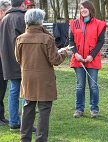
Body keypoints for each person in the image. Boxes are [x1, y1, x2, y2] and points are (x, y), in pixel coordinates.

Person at [15, 8, 68, 142]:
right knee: (44, 110)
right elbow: (55, 60)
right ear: (40, 22)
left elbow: (18, 58)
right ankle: (41, 139)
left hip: (27, 78)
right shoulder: (47, 38)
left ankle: (25, 138)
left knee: (28, 108)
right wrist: (63, 53)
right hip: (44, 79)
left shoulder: (20, 39)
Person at [69, 0, 106, 118]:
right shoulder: (74, 23)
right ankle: (79, 109)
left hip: (92, 60)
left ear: (90, 9)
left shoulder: (99, 24)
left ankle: (94, 109)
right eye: (81, 8)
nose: (82, 10)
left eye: (85, 8)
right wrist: (75, 54)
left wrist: (91, 56)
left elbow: (100, 42)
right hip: (78, 60)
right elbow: (71, 41)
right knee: (80, 86)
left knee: (93, 86)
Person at [0, 0, 26, 130]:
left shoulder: (4, 19)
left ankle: (14, 122)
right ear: (22, 4)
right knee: (27, 92)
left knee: (13, 91)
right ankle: (25, 123)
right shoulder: (22, 17)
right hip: (23, 61)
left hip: (8, 61)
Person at [0, 0, 10, 126]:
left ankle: (1, 116)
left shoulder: (4, 23)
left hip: (4, 62)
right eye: (8, 11)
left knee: (2, 89)